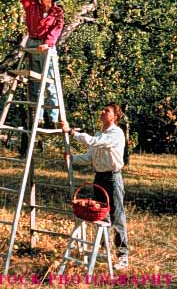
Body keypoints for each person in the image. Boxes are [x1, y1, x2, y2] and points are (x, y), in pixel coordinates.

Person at [61, 102, 129, 270]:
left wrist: (71, 132)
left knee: (117, 215)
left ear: (114, 116)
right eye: (103, 109)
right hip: (99, 178)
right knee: (101, 215)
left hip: (113, 178)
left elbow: (94, 142)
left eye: (107, 111)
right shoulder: (100, 133)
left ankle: (123, 256)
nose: (103, 112)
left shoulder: (116, 133)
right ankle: (104, 251)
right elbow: (89, 157)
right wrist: (72, 158)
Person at [12, 0, 65, 129]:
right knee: (34, 83)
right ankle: (39, 116)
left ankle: (52, 117)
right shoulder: (33, 5)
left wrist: (48, 43)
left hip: (46, 47)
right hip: (32, 44)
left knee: (48, 81)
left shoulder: (57, 11)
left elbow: (57, 28)